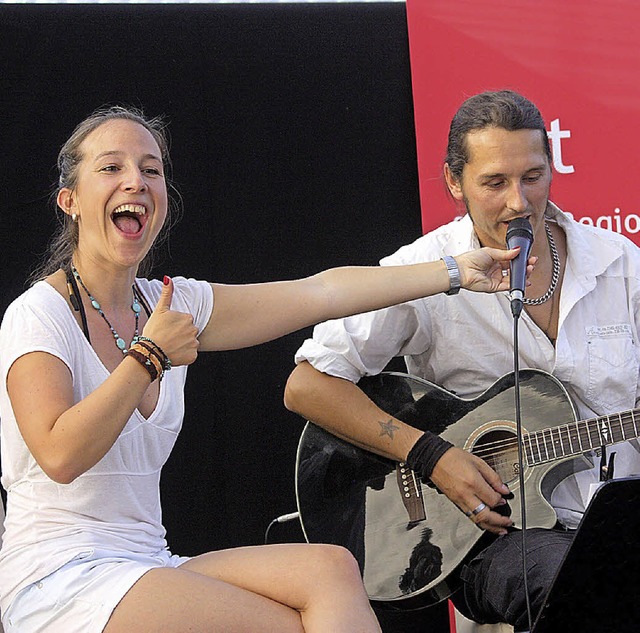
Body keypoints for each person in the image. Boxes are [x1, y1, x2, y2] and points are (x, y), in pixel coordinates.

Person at [0, 105, 527, 633]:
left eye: (151, 169)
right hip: (58, 576)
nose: (136, 181)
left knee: (331, 569)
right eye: (112, 168)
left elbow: (318, 293)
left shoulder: (172, 304)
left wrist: (454, 272)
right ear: (69, 200)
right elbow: (60, 454)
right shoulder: (39, 315)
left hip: (144, 561)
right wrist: (148, 357)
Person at [284, 89, 640, 631]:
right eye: (495, 183)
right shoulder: (425, 269)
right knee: (580, 581)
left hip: (616, 518)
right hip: (487, 535)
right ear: (455, 183)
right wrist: (430, 454)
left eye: (533, 176)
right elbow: (307, 385)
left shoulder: (620, 264)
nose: (519, 202)